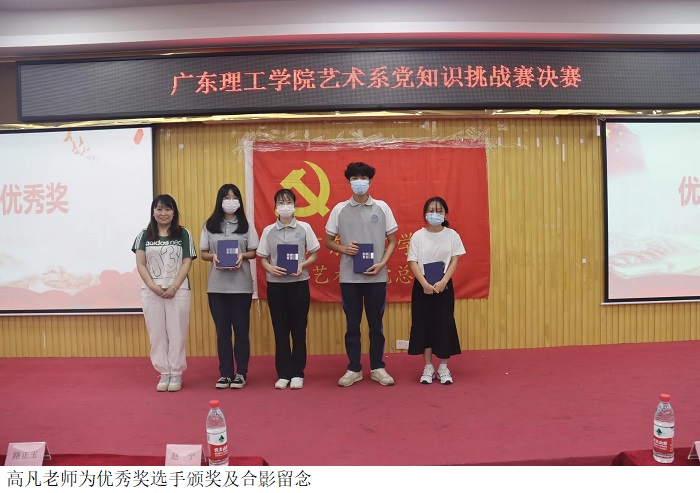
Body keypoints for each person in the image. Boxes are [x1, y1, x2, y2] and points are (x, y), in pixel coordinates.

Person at [325, 162, 398, 387]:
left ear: (370, 181)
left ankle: (378, 367)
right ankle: (354, 368)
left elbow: (392, 241)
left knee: (376, 325)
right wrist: (344, 249)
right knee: (352, 325)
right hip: (350, 278)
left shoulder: (382, 207)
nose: (359, 182)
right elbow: (328, 241)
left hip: (377, 277)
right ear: (349, 182)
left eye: (363, 178)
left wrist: (382, 263)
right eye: (355, 178)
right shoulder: (339, 209)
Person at [132, 194, 197, 392]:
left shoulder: (183, 233)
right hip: (152, 291)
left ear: (174, 212)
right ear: (153, 212)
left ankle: (176, 372)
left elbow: (187, 261)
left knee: (177, 333)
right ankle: (164, 372)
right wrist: (153, 286)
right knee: (157, 334)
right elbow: (141, 264)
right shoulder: (144, 234)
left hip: (178, 290)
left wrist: (174, 287)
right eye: (159, 209)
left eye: (168, 209)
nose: (163, 213)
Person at [257, 189, 320, 390]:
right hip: (276, 286)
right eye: (281, 202)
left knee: (299, 330)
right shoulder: (268, 231)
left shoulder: (305, 227)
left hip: (299, 284)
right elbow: (263, 258)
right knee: (280, 331)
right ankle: (283, 373)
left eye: (288, 202)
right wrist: (270, 268)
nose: (285, 206)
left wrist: (302, 265)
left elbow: (314, 255)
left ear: (295, 205)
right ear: (275, 207)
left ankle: (298, 373)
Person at [200, 184, 258, 389]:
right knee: (222, 332)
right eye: (226, 198)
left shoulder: (246, 225)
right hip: (217, 288)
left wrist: (242, 255)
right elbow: (203, 253)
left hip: (241, 287)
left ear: (239, 201)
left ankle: (241, 372)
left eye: (234, 198)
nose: (230, 202)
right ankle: (225, 373)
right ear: (220, 201)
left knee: (241, 331)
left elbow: (254, 252)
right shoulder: (209, 225)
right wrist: (213, 257)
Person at [407, 196, 465, 385]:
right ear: (425, 214)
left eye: (439, 211)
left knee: (444, 324)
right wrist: (424, 284)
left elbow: (454, 260)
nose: (435, 214)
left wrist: (443, 281)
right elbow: (413, 262)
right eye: (431, 210)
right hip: (422, 286)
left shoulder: (452, 235)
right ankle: (428, 367)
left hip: (444, 286)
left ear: (445, 214)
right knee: (424, 324)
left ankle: (443, 367)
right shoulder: (418, 236)